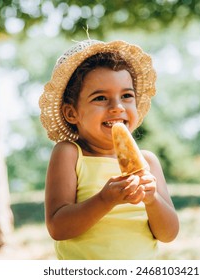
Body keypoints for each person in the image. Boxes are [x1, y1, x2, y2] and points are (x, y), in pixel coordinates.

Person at [39, 39, 179, 260]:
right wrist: (105, 199)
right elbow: (58, 227)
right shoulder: (70, 154)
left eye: (126, 96)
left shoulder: (148, 162)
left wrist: (152, 199)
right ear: (71, 113)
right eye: (101, 98)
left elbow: (169, 234)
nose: (117, 107)